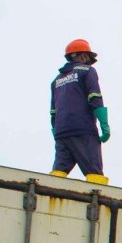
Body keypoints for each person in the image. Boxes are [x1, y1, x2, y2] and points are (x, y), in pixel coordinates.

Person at [49, 38, 111, 184]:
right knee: (94, 173)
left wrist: (56, 133)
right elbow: (95, 97)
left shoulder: (56, 81)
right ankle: (98, 202)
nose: (88, 60)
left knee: (58, 172)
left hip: (62, 132)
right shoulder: (88, 71)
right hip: (83, 130)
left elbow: (53, 111)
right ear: (81, 55)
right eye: (87, 56)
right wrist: (104, 125)